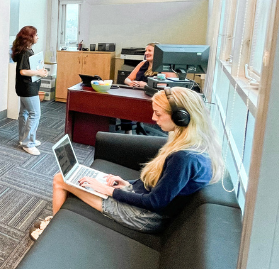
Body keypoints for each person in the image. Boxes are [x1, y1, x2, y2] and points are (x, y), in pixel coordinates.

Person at [30, 87, 224, 240]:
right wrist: (126, 184)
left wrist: (109, 191)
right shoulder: (193, 143)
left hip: (144, 217)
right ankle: (55, 221)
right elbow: (161, 186)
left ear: (180, 117)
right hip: (145, 204)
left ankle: (53, 228)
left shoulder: (184, 157)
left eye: (158, 114)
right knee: (78, 179)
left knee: (60, 180)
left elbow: (156, 202)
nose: (153, 119)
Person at [11, 26, 49, 156]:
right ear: (29, 37)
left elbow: (28, 68)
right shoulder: (25, 52)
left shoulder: (25, 51)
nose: (37, 37)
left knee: (24, 113)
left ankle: (23, 139)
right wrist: (39, 72)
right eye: (36, 34)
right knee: (35, 114)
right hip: (28, 89)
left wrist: (40, 71)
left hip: (24, 88)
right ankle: (28, 143)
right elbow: (23, 71)